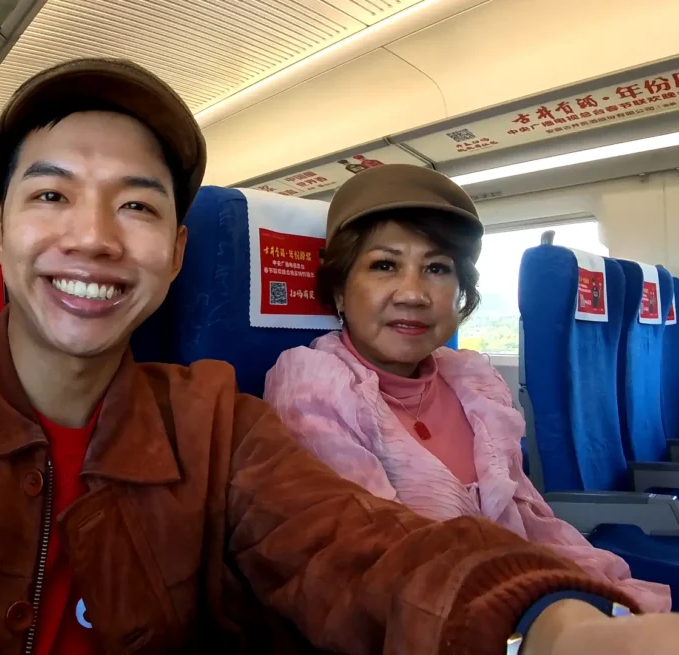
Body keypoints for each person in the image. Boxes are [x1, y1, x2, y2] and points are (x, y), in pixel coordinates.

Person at [0, 59, 678, 655]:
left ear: (174, 254)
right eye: (52, 197)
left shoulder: (216, 426)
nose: (92, 237)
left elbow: (363, 549)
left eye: (136, 204)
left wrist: (556, 626)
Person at [264, 164, 673, 615]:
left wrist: (619, 599)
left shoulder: (474, 383)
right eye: (385, 265)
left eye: (437, 268)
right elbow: (379, 563)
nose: (414, 294)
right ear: (340, 290)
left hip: (535, 603)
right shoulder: (312, 386)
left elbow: (534, 520)